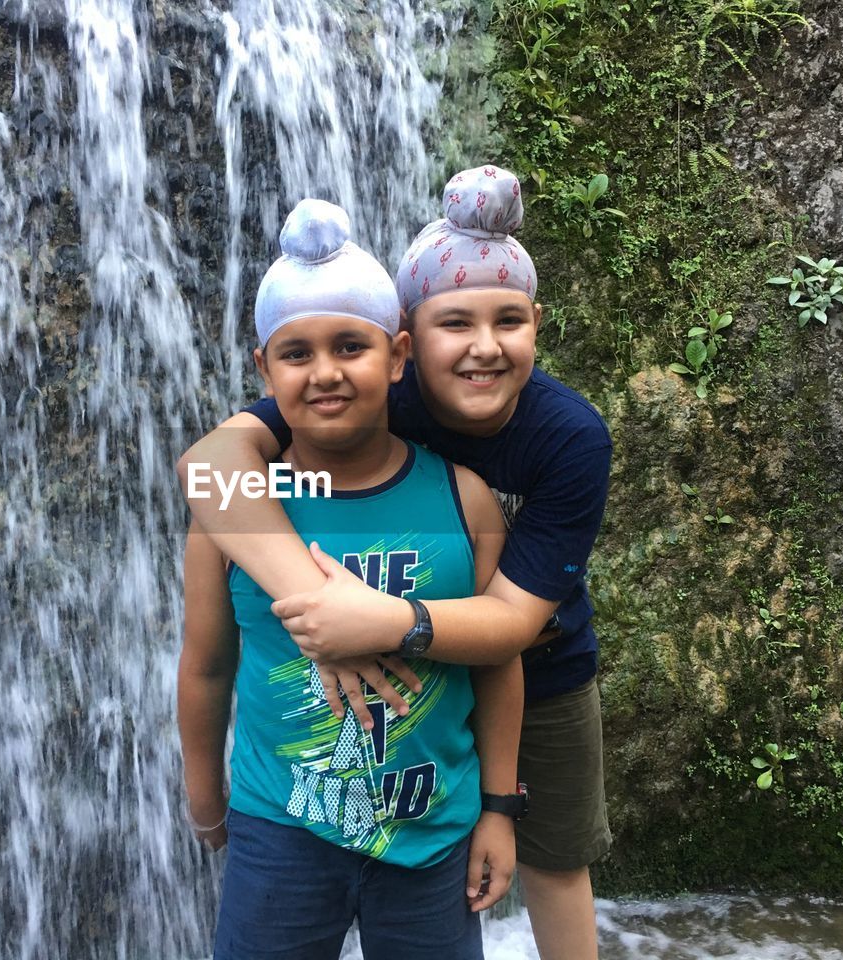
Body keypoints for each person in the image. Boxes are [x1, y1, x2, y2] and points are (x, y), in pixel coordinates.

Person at [177, 166, 613, 960]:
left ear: (393, 352)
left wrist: (496, 805)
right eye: (299, 354)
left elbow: (509, 638)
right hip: (288, 817)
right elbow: (206, 478)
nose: (330, 370)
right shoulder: (303, 451)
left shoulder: (534, 455)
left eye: (352, 347)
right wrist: (320, 612)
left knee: (559, 863)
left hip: (495, 730)